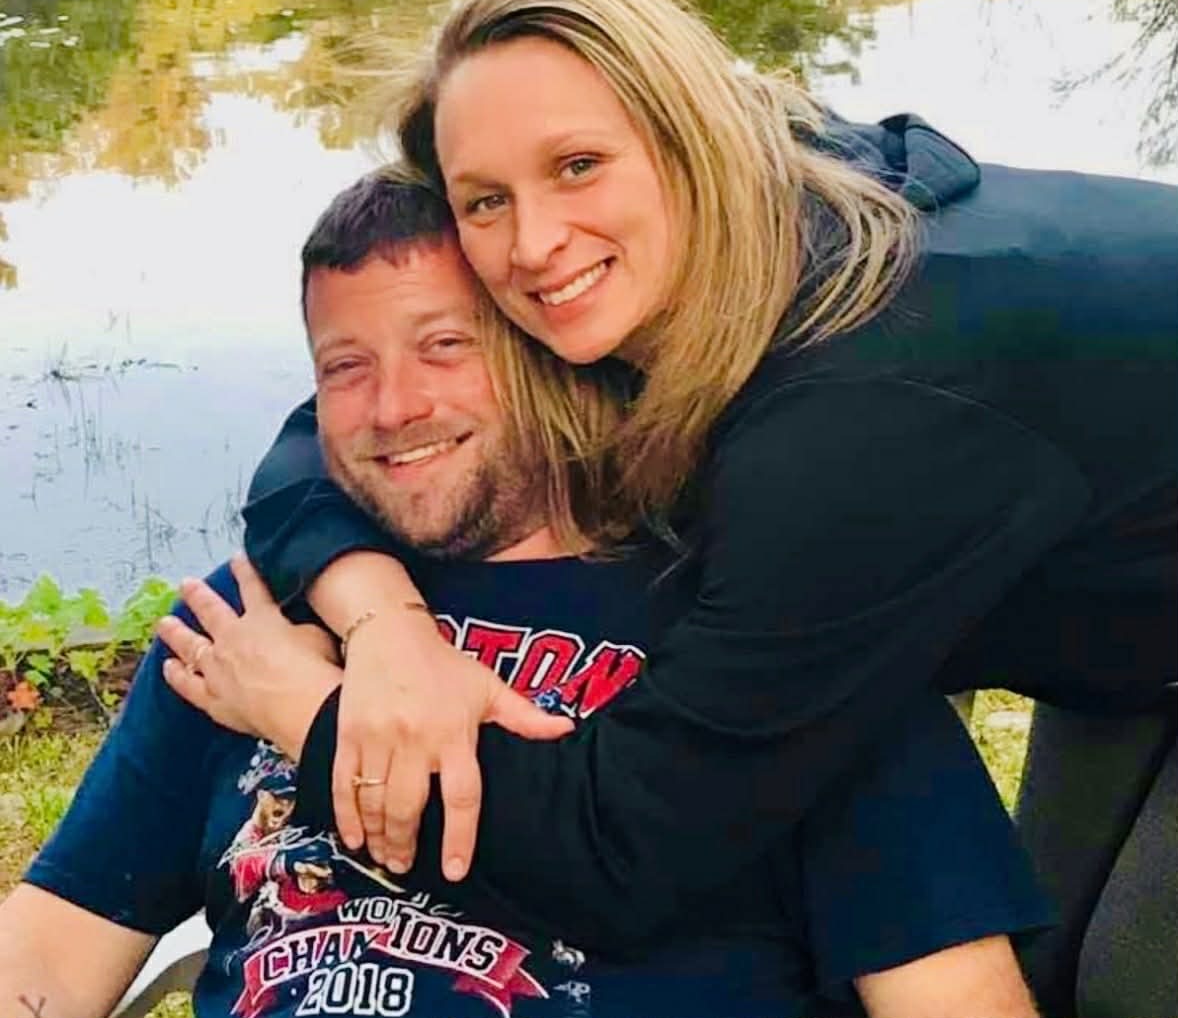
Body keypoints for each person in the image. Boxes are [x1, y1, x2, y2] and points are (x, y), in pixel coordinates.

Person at [241, 0, 1178, 956]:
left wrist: (309, 716)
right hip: (1114, 596)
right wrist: (388, 627)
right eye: (484, 200)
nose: (535, 243)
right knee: (1054, 953)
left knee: (1125, 978)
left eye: (578, 165)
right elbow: (338, 432)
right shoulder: (720, 227)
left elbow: (618, 854)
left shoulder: (857, 412)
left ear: (691, 137)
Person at [0, 171, 1048, 1018]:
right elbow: (52, 947)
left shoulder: (781, 625)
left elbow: (954, 996)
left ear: (548, 348)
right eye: (344, 366)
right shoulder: (248, 633)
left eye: (445, 346)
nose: (393, 408)